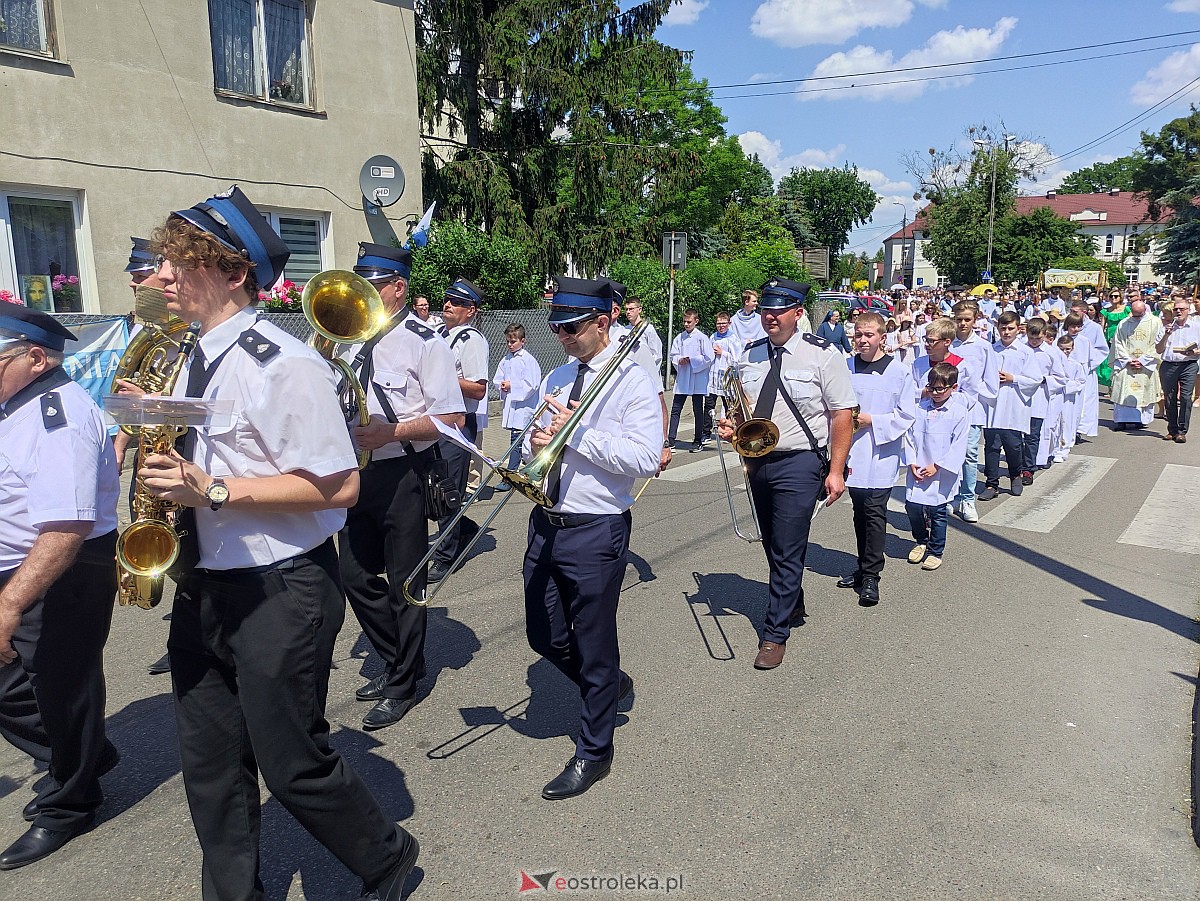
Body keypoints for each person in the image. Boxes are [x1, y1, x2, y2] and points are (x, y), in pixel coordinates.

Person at [139, 188, 419, 900]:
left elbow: (338, 488)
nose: (163, 274)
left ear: (234, 273)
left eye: (182, 262)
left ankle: (388, 856)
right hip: (204, 582)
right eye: (164, 261)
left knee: (290, 762)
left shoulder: (283, 363)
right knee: (210, 766)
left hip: (280, 587)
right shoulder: (183, 356)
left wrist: (218, 491)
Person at [521, 276, 662, 800]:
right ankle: (607, 688)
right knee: (544, 636)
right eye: (556, 325)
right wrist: (534, 442)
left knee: (594, 643)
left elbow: (645, 458)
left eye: (572, 326)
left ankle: (594, 751)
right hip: (546, 518)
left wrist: (574, 431)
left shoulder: (631, 380)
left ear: (603, 322)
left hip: (597, 526)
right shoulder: (558, 375)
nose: (562, 335)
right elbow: (535, 439)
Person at [0, 306, 120, 870]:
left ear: (36, 358)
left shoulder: (58, 418)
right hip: (21, 566)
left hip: (57, 571)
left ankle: (69, 805)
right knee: (19, 687)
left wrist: (11, 602)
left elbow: (65, 528)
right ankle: (83, 752)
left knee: (60, 687)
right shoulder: (15, 401)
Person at [339, 241, 465, 735]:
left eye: (372, 284)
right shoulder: (347, 339)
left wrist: (390, 432)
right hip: (355, 473)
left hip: (404, 474)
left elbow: (452, 417)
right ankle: (401, 662)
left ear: (397, 287)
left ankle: (402, 685)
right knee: (354, 577)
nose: (362, 293)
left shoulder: (423, 341)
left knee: (405, 583)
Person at [716, 278, 856, 670]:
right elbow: (741, 406)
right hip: (758, 457)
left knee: (789, 544)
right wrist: (732, 427)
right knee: (772, 541)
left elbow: (842, 413)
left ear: (798, 313)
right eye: (765, 310)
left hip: (800, 461)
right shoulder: (751, 354)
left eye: (779, 310)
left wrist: (836, 469)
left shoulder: (823, 355)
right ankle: (792, 601)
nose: (770, 317)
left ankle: (775, 633)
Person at [112, 236, 175, 677]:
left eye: (142, 277)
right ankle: (185, 636)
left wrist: (150, 401)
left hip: (178, 454)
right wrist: (120, 446)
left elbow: (200, 406)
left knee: (183, 547)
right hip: (149, 451)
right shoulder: (144, 329)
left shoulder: (182, 332)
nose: (137, 286)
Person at [840, 311, 914, 606]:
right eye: (858, 335)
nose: (863, 340)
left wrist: (873, 421)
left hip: (881, 452)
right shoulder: (845, 368)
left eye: (869, 335)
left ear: (883, 338)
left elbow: (907, 413)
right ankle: (862, 566)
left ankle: (872, 576)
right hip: (852, 451)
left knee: (874, 513)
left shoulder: (899, 372)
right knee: (860, 512)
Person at [429, 279, 490, 583]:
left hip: (458, 423)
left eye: (456, 302)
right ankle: (462, 529)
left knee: (447, 489)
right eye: (447, 300)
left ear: (471, 310)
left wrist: (440, 378)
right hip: (436, 421)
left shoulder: (471, 340)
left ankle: (446, 556)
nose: (447, 305)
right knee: (432, 488)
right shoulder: (440, 334)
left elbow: (478, 389)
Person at [904, 362, 970, 572]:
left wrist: (938, 466)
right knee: (912, 506)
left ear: (954, 387)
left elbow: (959, 444)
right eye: (931, 388)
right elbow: (909, 437)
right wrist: (912, 461)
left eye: (940, 389)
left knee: (938, 511)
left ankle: (935, 551)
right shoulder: (918, 409)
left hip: (940, 472)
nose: (935, 393)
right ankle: (921, 540)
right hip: (918, 467)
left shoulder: (959, 412)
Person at [949, 301, 999, 523]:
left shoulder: (983, 346)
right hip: (947, 406)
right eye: (959, 319)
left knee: (969, 453)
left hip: (972, 408)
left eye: (967, 319)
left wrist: (972, 390)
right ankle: (951, 495)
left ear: (975, 320)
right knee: (948, 453)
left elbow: (990, 381)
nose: (962, 323)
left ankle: (967, 497)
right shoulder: (948, 344)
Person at [493, 323, 543, 482]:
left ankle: (511, 476)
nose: (509, 345)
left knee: (518, 439)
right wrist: (501, 384)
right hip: (512, 407)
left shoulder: (528, 360)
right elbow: (498, 378)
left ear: (523, 341)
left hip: (524, 408)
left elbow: (532, 384)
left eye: (513, 341)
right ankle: (518, 472)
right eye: (507, 341)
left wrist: (512, 385)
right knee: (516, 438)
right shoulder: (506, 359)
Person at [1021, 318, 1066, 481]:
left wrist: (1045, 379)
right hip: (1018, 396)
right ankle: (1017, 466)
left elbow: (1060, 377)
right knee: (1016, 435)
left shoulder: (1052, 352)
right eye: (1031, 338)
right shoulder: (1020, 348)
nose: (1034, 342)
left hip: (1039, 396)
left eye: (1038, 338)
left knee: (1033, 434)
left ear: (1045, 335)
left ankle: (1028, 468)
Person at [1111, 299, 1163, 431]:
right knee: (1123, 388)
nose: (1136, 318)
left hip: (1146, 364)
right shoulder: (1124, 323)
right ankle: (1121, 421)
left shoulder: (1155, 323)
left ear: (1145, 310)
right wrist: (1128, 360)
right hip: (1127, 364)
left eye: (1139, 315)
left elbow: (1158, 344)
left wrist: (1143, 361)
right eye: (1134, 315)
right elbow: (1118, 343)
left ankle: (1140, 420)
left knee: (1143, 391)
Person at [667, 308, 713, 452]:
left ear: (696, 321)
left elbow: (709, 357)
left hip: (697, 376)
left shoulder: (702, 338)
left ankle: (697, 440)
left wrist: (693, 361)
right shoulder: (679, 337)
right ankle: (671, 439)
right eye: (685, 321)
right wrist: (679, 360)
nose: (686, 324)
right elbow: (672, 354)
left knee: (697, 409)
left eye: (689, 321)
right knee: (676, 409)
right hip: (683, 376)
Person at [1154, 296, 1200, 442]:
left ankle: (1181, 431)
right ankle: (1172, 429)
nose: (1178, 311)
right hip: (1168, 365)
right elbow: (1159, 349)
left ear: (1188, 311)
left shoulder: (1196, 327)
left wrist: (1194, 352)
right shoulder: (1165, 328)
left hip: (1189, 365)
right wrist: (1166, 335)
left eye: (1182, 309)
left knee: (1186, 397)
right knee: (1170, 397)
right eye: (1176, 309)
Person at [1063, 310, 1102, 441]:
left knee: (1080, 405)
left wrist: (1087, 370)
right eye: (1073, 326)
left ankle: (1076, 431)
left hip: (1081, 375)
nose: (1075, 329)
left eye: (1078, 326)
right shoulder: (1062, 339)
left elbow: (1092, 358)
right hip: (1066, 376)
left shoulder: (1085, 341)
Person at [705, 310, 740, 442]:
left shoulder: (733, 338)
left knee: (728, 406)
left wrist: (723, 353)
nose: (721, 326)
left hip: (726, 377)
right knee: (709, 405)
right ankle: (706, 432)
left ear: (729, 324)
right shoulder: (713, 337)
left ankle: (730, 430)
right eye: (718, 323)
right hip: (713, 377)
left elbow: (737, 359)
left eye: (723, 323)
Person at [1055, 335, 1086, 462]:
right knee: (1055, 422)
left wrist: (1067, 385)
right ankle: (1053, 448)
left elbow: (1081, 381)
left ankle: (1064, 448)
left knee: (1067, 422)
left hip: (1068, 398)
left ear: (1072, 349)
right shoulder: (1054, 362)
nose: (1065, 352)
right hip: (1055, 396)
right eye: (1062, 349)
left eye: (1068, 349)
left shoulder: (1076, 365)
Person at [622, 295, 663, 366]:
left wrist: (649, 368)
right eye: (626, 309)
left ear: (639, 309)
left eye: (631, 309)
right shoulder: (624, 329)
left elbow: (656, 353)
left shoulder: (648, 328)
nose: (628, 312)